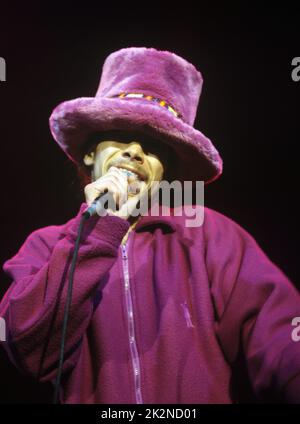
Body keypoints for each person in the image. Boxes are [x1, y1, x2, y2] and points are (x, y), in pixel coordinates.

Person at [0, 47, 300, 404]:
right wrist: (101, 227)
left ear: (165, 172)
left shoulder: (207, 236)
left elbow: (281, 336)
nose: (135, 152)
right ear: (90, 152)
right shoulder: (45, 247)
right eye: (120, 133)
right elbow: (31, 352)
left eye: (154, 145)